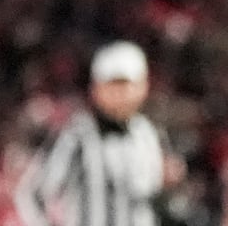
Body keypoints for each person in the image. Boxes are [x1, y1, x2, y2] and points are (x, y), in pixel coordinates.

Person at [13, 40, 176, 226]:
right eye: (112, 85)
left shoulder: (146, 133)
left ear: (143, 87)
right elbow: (32, 192)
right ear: (96, 89)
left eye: (126, 85)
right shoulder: (77, 136)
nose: (120, 94)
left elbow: (148, 198)